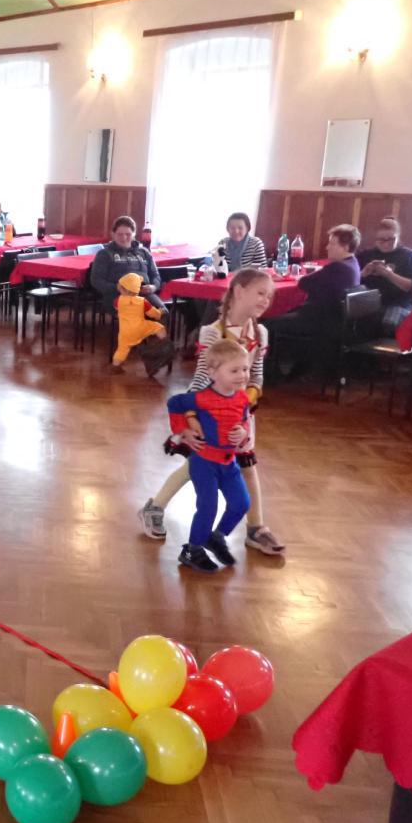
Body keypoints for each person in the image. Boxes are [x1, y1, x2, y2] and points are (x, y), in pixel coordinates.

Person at [140, 269, 285, 556]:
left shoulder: (260, 333)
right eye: (260, 293)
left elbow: (257, 376)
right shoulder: (212, 333)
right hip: (208, 415)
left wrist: (244, 407)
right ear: (238, 291)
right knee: (197, 465)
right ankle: (155, 507)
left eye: (269, 296)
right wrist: (191, 419)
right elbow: (200, 381)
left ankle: (256, 528)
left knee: (247, 466)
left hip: (240, 416)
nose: (265, 300)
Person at [167, 340, 253, 574]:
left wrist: (243, 431)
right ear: (213, 373)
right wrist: (184, 431)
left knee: (241, 503)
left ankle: (216, 536)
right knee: (208, 506)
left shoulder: (242, 398)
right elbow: (174, 403)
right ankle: (192, 549)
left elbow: (244, 419)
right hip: (204, 462)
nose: (242, 375)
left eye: (245, 369)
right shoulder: (200, 398)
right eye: (234, 370)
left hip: (228, 462)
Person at [268, 224, 362, 378]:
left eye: (332, 243)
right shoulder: (353, 263)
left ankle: (272, 373)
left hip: (322, 320)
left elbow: (304, 283)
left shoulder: (338, 267)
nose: (327, 247)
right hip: (333, 318)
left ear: (345, 247)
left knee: (268, 325)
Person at [356, 218, 412, 335]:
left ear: (398, 237)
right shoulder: (365, 255)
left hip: (399, 304)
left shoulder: (409, 256)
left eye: (391, 239)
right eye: (381, 240)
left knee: (390, 321)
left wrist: (389, 275)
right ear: (375, 239)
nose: (386, 243)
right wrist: (363, 273)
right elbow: (351, 282)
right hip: (370, 304)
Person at [90, 215, 165, 310]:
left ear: (134, 234)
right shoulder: (104, 254)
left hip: (144, 293)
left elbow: (155, 275)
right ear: (113, 234)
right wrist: (118, 288)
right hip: (117, 295)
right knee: (137, 313)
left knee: (162, 312)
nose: (124, 238)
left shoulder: (144, 252)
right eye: (120, 234)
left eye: (128, 234)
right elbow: (96, 280)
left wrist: (153, 287)